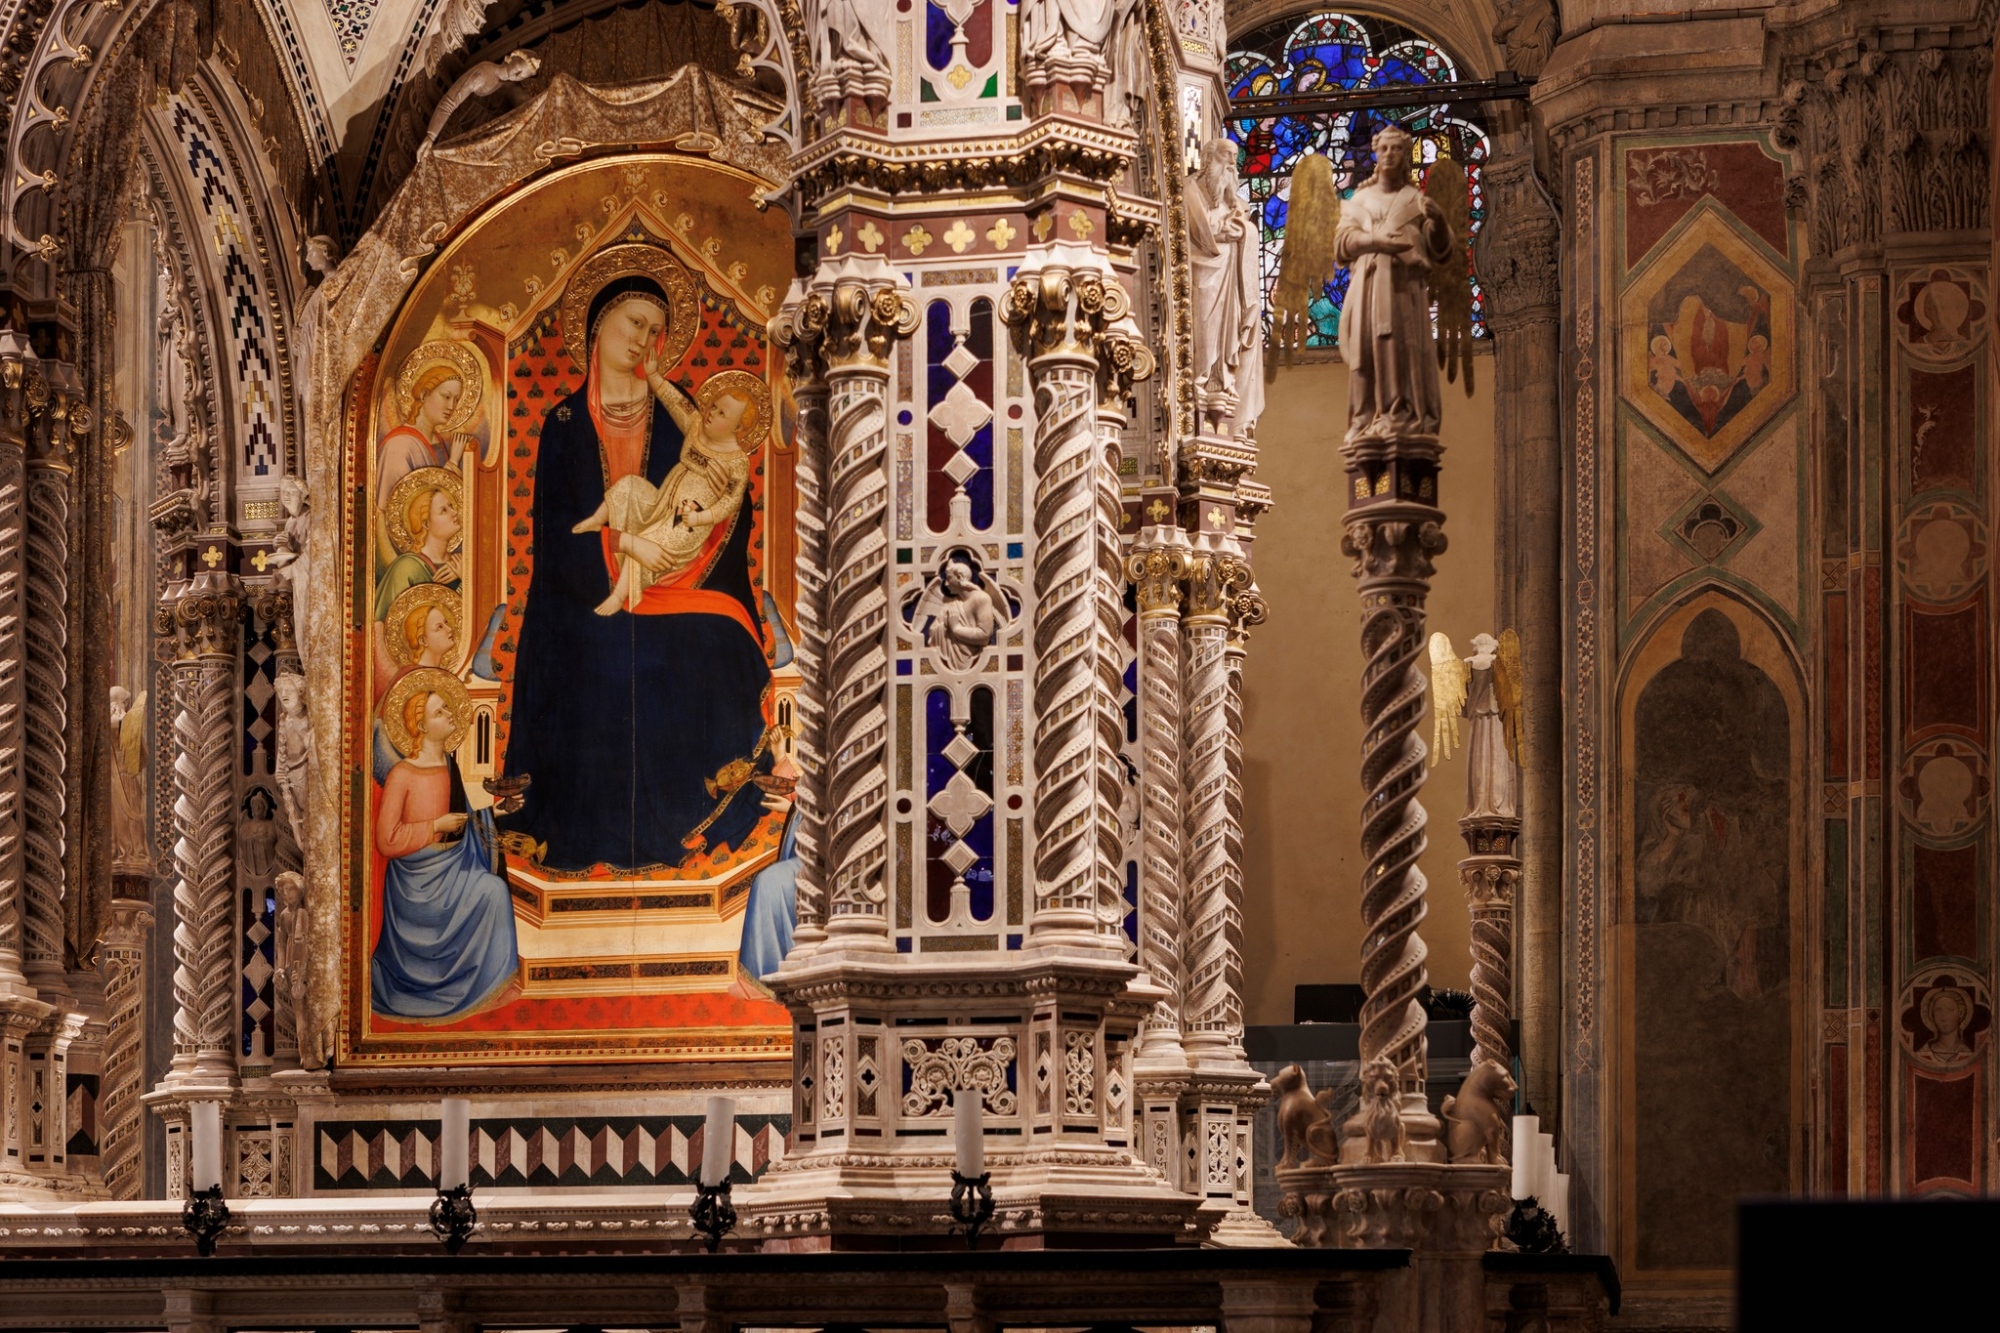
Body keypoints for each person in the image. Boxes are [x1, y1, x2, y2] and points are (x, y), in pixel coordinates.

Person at [501, 258, 774, 871]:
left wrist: (672, 567)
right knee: (591, 654)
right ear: (598, 326)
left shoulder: (686, 426)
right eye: (634, 322)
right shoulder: (562, 426)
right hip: (581, 598)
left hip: (675, 586)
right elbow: (554, 540)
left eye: (656, 330)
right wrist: (613, 563)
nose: (644, 339)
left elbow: (729, 518)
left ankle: (692, 821)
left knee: (714, 641)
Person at [370, 670, 519, 1020]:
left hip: (454, 870)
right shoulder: (402, 775)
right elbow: (385, 840)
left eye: (448, 709)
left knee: (494, 891)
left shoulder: (447, 765)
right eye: (440, 712)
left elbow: (464, 819)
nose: (451, 715)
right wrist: (434, 826)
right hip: (416, 886)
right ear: (420, 726)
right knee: (492, 891)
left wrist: (495, 811)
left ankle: (486, 983)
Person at [570, 373, 762, 616]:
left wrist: (700, 519)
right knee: (630, 486)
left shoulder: (737, 463)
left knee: (647, 541)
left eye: (722, 413)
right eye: (713, 406)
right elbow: (677, 403)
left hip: (686, 522)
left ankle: (619, 595)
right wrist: (653, 376)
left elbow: (730, 502)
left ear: (738, 427)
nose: (711, 413)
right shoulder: (696, 427)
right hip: (662, 502)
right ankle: (597, 520)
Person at [1335, 123, 1454, 444]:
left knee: (1401, 350)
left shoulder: (1415, 200)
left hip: (1405, 291)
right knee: (1370, 348)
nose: (1389, 154)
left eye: (1396, 148)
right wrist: (1374, 239)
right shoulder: (1360, 200)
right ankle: (1367, 418)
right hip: (1370, 288)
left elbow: (1441, 250)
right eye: (1384, 148)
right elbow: (1342, 244)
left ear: (1406, 156)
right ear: (1375, 154)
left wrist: (1438, 220)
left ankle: (1400, 414)